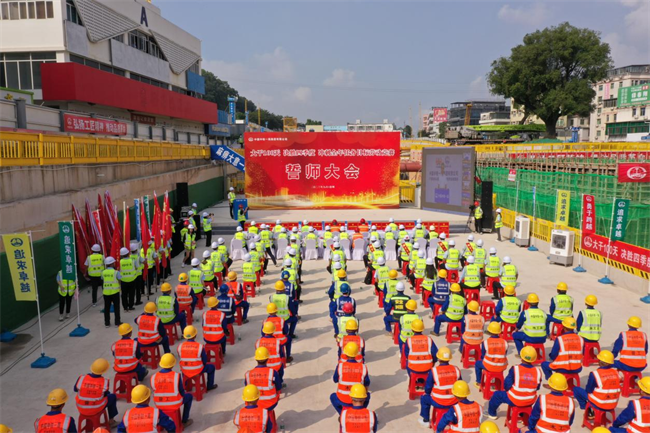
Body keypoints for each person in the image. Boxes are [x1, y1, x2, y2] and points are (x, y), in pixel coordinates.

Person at [486, 346, 541, 420]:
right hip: (530, 400)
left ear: (521, 357)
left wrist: (509, 390)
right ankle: (523, 415)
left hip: (515, 399)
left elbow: (507, 384)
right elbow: (537, 387)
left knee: (497, 395)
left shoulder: (515, 369)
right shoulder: (538, 371)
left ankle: (492, 413)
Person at [418, 347, 462, 427]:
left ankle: (426, 420)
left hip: (438, 401)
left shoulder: (434, 371)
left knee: (424, 398)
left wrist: (427, 393)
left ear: (438, 358)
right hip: (454, 401)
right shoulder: (456, 369)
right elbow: (460, 385)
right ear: (449, 358)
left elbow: (428, 387)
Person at [150, 354, 193, 427]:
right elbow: (182, 393)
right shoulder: (176, 376)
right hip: (174, 403)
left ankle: (162, 424)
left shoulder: (154, 377)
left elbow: (154, 390)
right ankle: (185, 421)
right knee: (189, 397)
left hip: (159, 404)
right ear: (173, 365)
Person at [572, 350, 620, 415]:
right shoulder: (616, 373)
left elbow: (589, 390)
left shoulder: (595, 374)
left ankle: (586, 408)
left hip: (600, 403)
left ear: (599, 361)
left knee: (576, 390)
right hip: (613, 404)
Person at [74, 358, 118, 428]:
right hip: (96, 408)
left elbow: (75, 389)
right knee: (112, 396)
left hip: (81, 408)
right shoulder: (104, 382)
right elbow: (105, 395)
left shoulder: (82, 378)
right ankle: (111, 421)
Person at [331, 343, 370, 415]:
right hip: (358, 398)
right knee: (368, 395)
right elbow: (367, 383)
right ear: (357, 354)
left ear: (345, 353)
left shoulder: (340, 366)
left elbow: (335, 379)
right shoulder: (363, 367)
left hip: (343, 399)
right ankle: (361, 410)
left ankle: (342, 414)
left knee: (332, 397)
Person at [178, 325, 217, 391]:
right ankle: (210, 386)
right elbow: (204, 360)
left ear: (185, 336)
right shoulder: (199, 346)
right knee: (212, 367)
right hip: (197, 369)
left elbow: (181, 358)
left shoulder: (180, 346)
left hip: (185, 368)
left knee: (184, 369)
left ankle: (186, 386)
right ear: (195, 335)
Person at [245, 347, 283, 411]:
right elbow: (279, 387)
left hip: (252, 404)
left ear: (256, 359)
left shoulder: (248, 374)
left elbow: (247, 388)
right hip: (270, 403)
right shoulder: (272, 373)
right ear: (267, 359)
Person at [474, 322, 507, 388]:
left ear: (489, 331)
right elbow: (504, 354)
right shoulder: (505, 342)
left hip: (489, 366)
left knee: (477, 364)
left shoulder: (485, 342)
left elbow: (483, 356)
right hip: (501, 366)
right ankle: (498, 383)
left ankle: (479, 382)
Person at [102, 256, 122, 328]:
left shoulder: (103, 272)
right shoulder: (116, 272)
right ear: (112, 264)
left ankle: (107, 323)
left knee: (106, 308)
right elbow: (120, 280)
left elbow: (102, 279)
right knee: (116, 307)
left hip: (106, 293)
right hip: (115, 292)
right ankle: (117, 322)